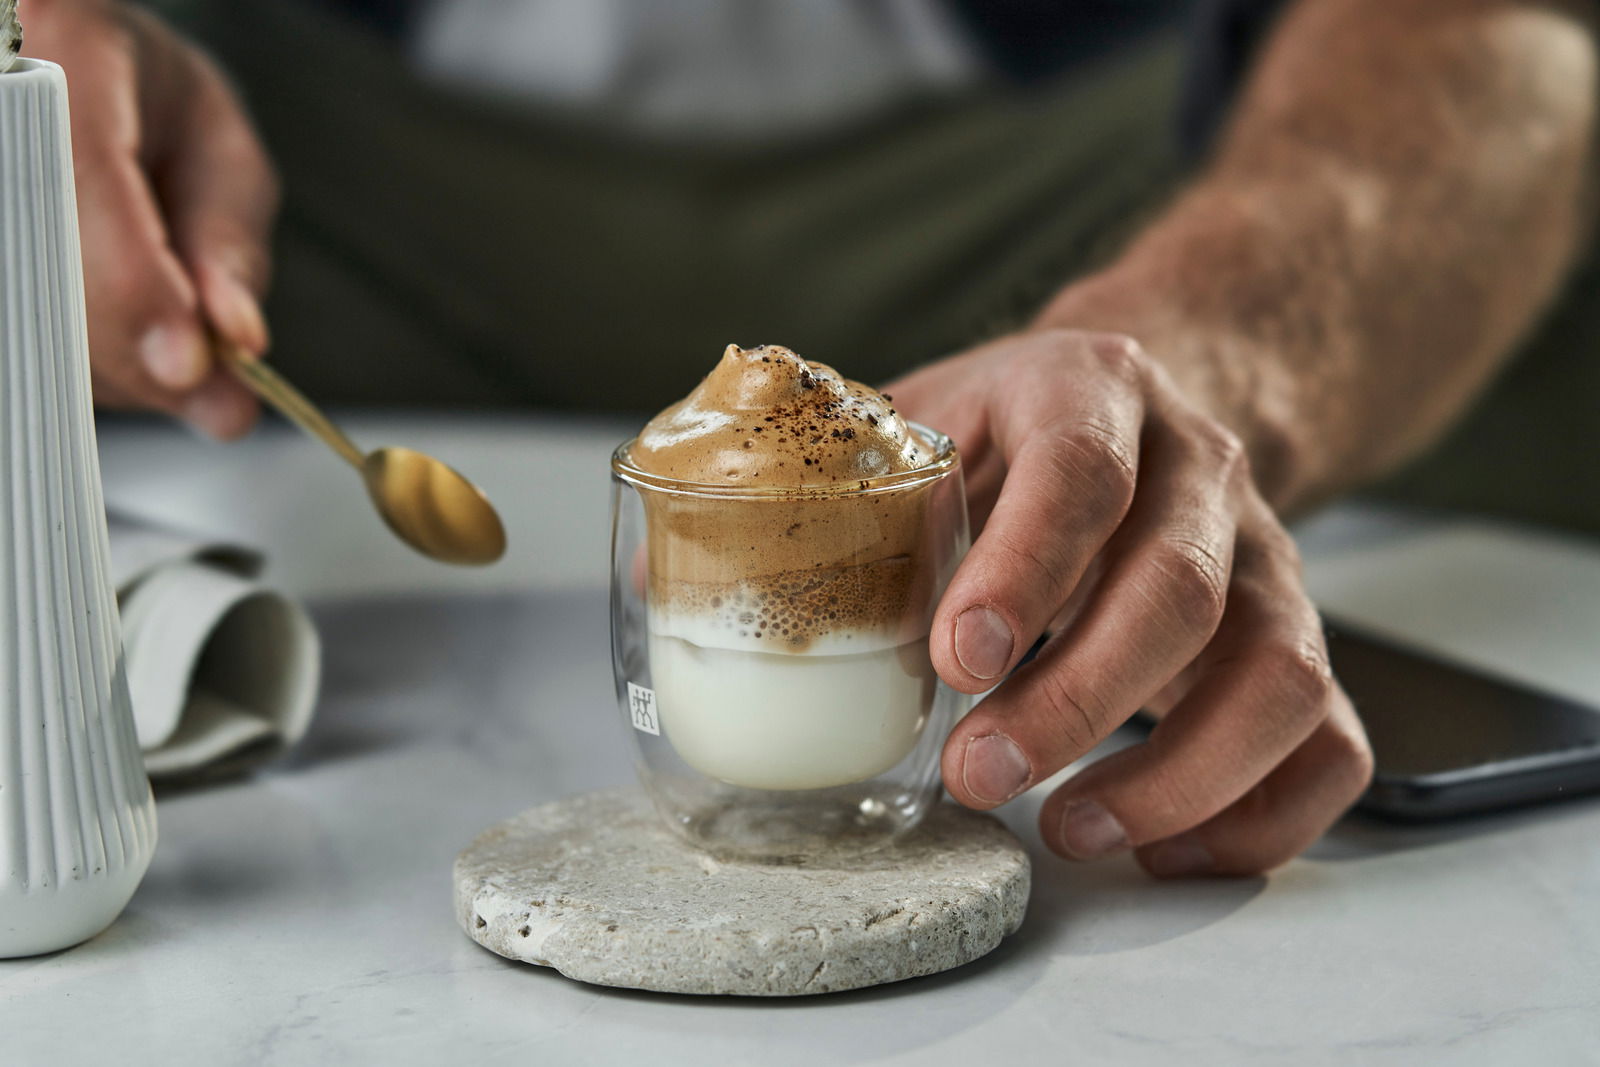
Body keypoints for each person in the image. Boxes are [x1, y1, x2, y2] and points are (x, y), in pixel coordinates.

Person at [19, 0, 1598, 877]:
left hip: (1086, 158)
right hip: (313, 146)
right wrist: (40, 49)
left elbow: (1492, 31)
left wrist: (1198, 361)